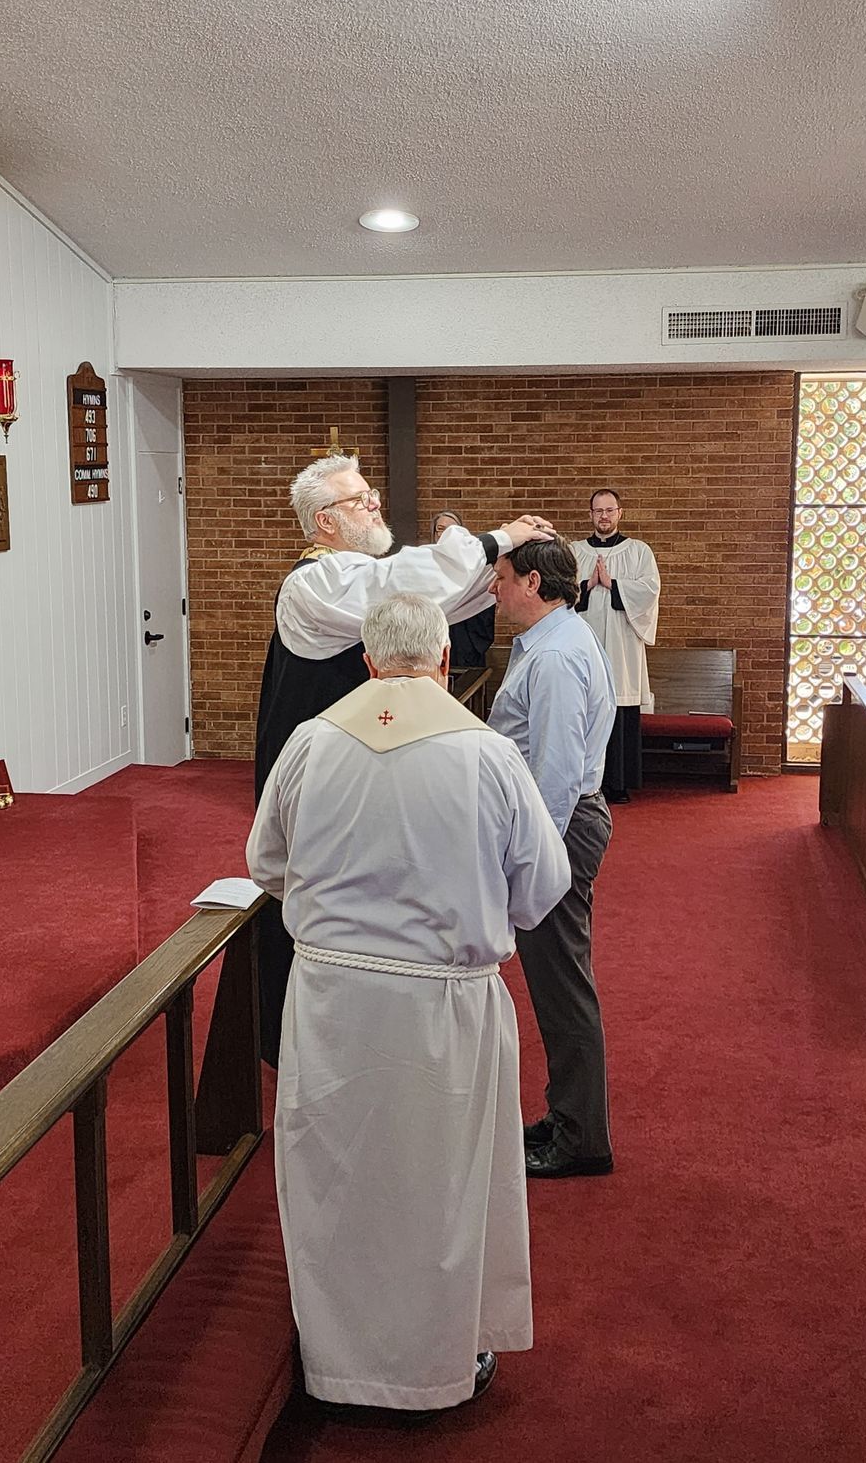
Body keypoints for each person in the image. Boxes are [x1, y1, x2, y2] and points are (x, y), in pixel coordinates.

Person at [246, 594, 571, 1415]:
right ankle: (440, 1363)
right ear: (444, 662)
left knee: (338, 1181)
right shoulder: (487, 752)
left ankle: (337, 1363)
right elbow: (542, 888)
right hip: (444, 1009)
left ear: (364, 662)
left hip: (329, 1003)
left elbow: (264, 861)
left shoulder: (311, 743)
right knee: (442, 1188)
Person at [252, 452, 552, 1065]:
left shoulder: (361, 577)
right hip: (331, 777)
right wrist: (498, 538)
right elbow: (402, 586)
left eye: (372, 494)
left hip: (374, 771)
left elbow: (435, 596)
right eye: (359, 499)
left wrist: (494, 567)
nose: (374, 504)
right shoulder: (313, 581)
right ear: (324, 523)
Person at [488, 535, 617, 1178]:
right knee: (556, 980)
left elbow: (559, 772)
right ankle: (568, 1115)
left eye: (503, 577)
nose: (494, 588)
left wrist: (531, 854)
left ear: (534, 582)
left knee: (563, 984)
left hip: (559, 827)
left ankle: (580, 1139)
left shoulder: (558, 654)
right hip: (555, 824)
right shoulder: (551, 641)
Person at [570, 489, 661, 804]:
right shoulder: (574, 552)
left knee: (620, 709)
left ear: (620, 513)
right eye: (598, 511)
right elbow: (559, 593)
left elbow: (650, 591)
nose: (604, 516)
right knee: (585, 710)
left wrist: (614, 585)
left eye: (610, 510)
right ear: (590, 514)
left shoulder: (638, 552)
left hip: (623, 647)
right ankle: (582, 782)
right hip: (585, 646)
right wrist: (587, 585)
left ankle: (618, 784)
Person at [432, 510, 497, 669]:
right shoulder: (427, 568)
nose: (445, 534)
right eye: (440, 529)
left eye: (452, 530)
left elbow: (483, 605)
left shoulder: (477, 567)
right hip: (432, 651)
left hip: (466, 646)